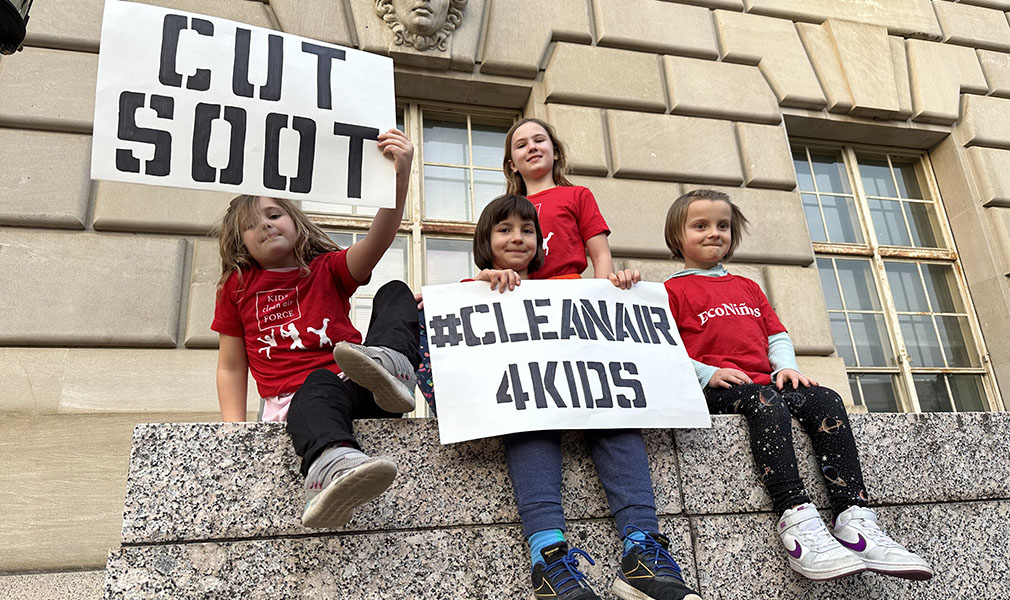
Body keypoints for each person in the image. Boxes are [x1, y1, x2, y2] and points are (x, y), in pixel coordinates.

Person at [662, 188, 933, 581]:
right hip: (716, 391)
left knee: (825, 399)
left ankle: (853, 517)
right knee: (765, 401)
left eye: (723, 225)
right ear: (677, 235)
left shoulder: (748, 287)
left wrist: (786, 366)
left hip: (764, 385)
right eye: (700, 226)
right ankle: (796, 519)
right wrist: (707, 373)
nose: (714, 233)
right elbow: (664, 348)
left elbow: (776, 335)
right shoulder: (671, 291)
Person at [460, 194, 702, 600]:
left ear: (540, 242)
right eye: (504, 230)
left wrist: (619, 288)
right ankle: (548, 559)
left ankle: (642, 554)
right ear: (485, 241)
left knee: (619, 417)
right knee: (529, 426)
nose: (517, 238)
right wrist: (479, 286)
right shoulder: (473, 291)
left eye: (527, 230)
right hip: (528, 406)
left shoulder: (573, 289)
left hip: (589, 397)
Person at [212, 129, 420, 530]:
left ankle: (392, 367)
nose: (265, 225)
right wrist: (234, 433)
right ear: (240, 243)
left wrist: (400, 175)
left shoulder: (327, 269)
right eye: (252, 225)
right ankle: (334, 465)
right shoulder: (236, 288)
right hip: (305, 401)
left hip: (363, 387)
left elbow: (379, 239)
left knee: (396, 292)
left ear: (295, 221)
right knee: (318, 384)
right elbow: (231, 366)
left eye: (274, 215)